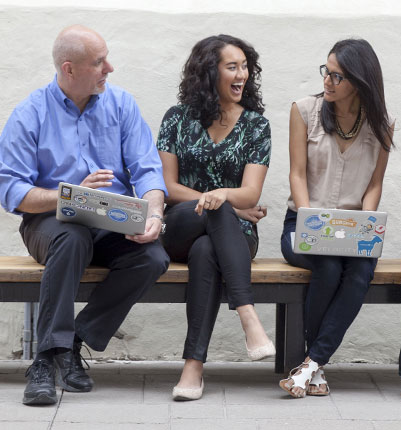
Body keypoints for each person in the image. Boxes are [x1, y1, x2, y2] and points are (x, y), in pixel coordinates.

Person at [0, 25, 169, 406]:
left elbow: (147, 169)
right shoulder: (30, 113)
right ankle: (43, 361)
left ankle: (71, 342)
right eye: (99, 62)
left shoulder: (121, 104)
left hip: (112, 219)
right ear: (69, 69)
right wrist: (69, 194)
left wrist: (154, 213)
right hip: (51, 221)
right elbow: (12, 191)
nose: (110, 68)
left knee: (153, 256)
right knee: (71, 238)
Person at [156, 35, 275, 401]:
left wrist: (228, 201)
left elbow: (250, 193)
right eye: (232, 66)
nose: (243, 74)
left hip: (233, 238)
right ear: (209, 73)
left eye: (245, 66)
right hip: (179, 224)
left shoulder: (256, 125)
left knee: (208, 251)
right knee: (218, 207)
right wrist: (226, 203)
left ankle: (193, 367)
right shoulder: (177, 119)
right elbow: (168, 186)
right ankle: (248, 316)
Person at [278, 39, 393, 398]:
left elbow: (374, 184)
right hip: (302, 224)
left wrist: (369, 225)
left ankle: (311, 364)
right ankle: (316, 365)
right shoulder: (304, 110)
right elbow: (297, 174)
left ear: (359, 82)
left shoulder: (382, 125)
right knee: (327, 266)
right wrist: (311, 221)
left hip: (353, 229)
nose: (327, 80)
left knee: (359, 270)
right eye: (326, 71)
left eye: (337, 75)